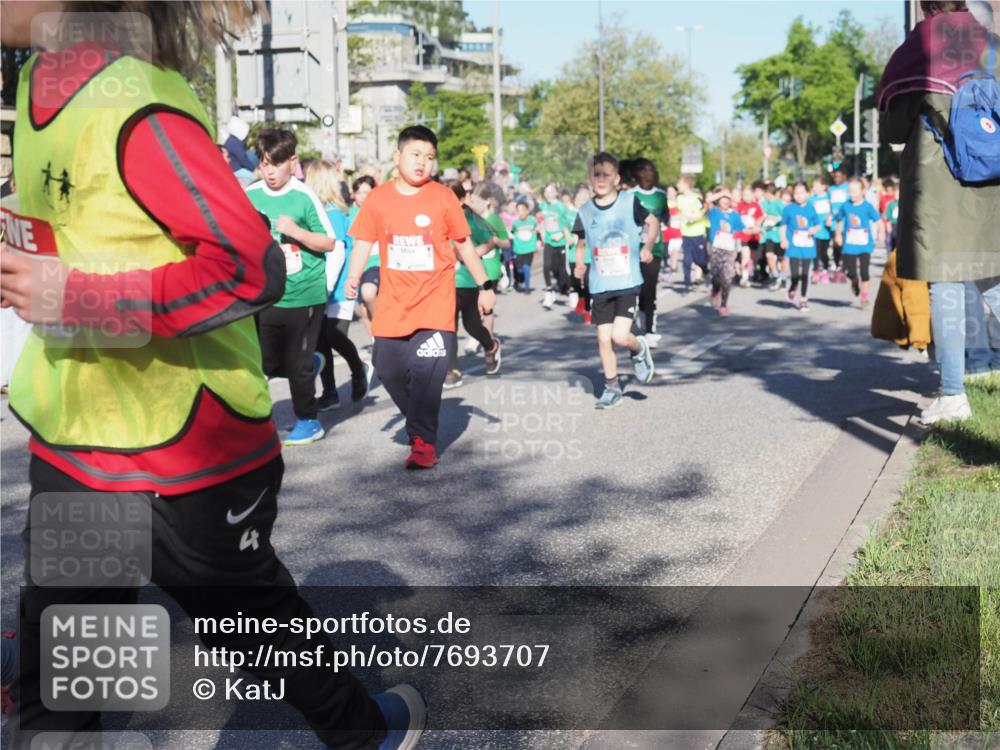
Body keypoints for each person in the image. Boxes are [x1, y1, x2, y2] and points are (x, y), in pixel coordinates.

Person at [0, 2, 424, 748]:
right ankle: (363, 732)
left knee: (246, 626)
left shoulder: (138, 102)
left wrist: (75, 295)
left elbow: (247, 267)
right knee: (68, 672)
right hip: (76, 436)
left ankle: (361, 732)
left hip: (186, 448)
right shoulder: (39, 76)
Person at [345, 125, 496, 468]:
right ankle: (418, 422)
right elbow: (364, 241)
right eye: (415, 155)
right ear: (397, 156)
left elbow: (463, 245)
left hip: (435, 304)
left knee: (427, 376)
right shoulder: (378, 199)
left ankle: (423, 442)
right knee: (387, 369)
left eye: (429, 157)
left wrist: (485, 286)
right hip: (393, 306)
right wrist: (354, 275)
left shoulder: (443, 197)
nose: (422, 163)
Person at [879, 0, 1000, 424]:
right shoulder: (992, 45)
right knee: (994, 281)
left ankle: (953, 395)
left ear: (927, 6)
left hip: (940, 179)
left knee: (946, 285)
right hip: (992, 177)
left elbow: (894, 127)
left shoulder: (923, 44)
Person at [246, 128, 337, 446]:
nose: (270, 171)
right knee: (265, 363)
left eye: (276, 164)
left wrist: (296, 232)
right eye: (264, 164)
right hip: (268, 295)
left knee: (297, 366)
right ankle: (311, 363)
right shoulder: (251, 196)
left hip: (305, 293)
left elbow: (329, 242)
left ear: (292, 162)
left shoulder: (304, 196)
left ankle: (309, 421)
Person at [571, 152, 658, 410]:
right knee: (603, 338)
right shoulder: (585, 211)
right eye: (596, 175)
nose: (601, 179)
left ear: (616, 179)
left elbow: (653, 223)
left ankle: (638, 348)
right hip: (600, 284)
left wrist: (648, 246)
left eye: (606, 175)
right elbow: (581, 243)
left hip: (627, 281)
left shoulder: (629, 201)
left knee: (620, 336)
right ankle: (611, 387)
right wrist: (579, 264)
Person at [304, 160, 373, 410]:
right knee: (320, 339)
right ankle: (330, 392)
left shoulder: (332, 214)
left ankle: (358, 368)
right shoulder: (324, 211)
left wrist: (325, 289)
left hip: (339, 286)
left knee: (333, 335)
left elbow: (337, 254)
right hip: (326, 285)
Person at [444, 180, 502, 388]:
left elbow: (491, 241)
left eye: (452, 198)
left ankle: (491, 345)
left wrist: (473, 253)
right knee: (448, 326)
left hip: (468, 281)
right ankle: (452, 369)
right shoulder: (438, 218)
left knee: (472, 325)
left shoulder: (469, 218)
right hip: (446, 282)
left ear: (461, 199)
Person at [633, 159, 668, 346]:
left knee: (650, 288)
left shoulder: (661, 196)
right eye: (644, 171)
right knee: (638, 288)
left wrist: (661, 227)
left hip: (655, 248)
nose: (648, 175)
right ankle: (640, 319)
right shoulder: (630, 195)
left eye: (651, 171)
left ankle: (650, 329)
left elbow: (665, 217)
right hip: (634, 249)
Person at [834, 177, 882, 308]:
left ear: (863, 191)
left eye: (855, 191)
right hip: (850, 245)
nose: (852, 194)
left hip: (865, 245)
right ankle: (854, 281)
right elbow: (839, 219)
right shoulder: (845, 206)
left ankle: (864, 298)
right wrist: (838, 234)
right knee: (850, 272)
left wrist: (881, 232)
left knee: (864, 272)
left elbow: (878, 220)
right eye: (850, 191)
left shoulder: (867, 207)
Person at [780, 181, 822, 311]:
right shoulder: (788, 209)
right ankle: (793, 287)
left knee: (805, 274)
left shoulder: (811, 208)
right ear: (793, 194)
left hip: (808, 244)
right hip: (794, 245)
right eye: (796, 193)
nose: (799, 196)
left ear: (808, 194)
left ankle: (803, 299)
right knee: (794, 275)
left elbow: (818, 225)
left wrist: (814, 229)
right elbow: (783, 225)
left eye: (802, 193)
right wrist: (783, 239)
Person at [706, 187, 746, 318]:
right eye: (723, 198)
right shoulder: (714, 212)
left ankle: (723, 305)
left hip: (729, 249)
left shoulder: (734, 214)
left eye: (728, 198)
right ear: (718, 199)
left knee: (727, 278)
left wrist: (755, 230)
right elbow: (708, 200)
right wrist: (722, 192)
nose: (726, 200)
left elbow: (742, 229)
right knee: (716, 276)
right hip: (716, 249)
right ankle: (715, 290)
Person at [352, 175, 379, 345]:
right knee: (362, 311)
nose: (363, 196)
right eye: (359, 192)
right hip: (357, 269)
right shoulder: (349, 214)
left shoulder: (380, 211)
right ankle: (377, 343)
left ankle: (383, 329)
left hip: (377, 264)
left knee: (368, 293)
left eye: (367, 192)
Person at [537, 182, 572, 309]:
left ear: (556, 193)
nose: (548, 194)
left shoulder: (561, 207)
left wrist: (561, 235)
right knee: (546, 266)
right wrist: (541, 231)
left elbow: (568, 224)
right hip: (548, 240)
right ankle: (549, 291)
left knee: (561, 270)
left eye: (551, 192)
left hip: (561, 241)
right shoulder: (543, 205)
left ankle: (570, 290)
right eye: (546, 192)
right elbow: (540, 220)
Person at [677, 174, 709, 292]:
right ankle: (687, 283)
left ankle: (706, 271)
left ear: (686, 184)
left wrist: (695, 218)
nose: (677, 185)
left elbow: (704, 209)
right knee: (687, 260)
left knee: (699, 260)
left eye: (679, 183)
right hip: (686, 234)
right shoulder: (679, 199)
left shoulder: (697, 197)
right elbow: (679, 212)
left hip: (698, 233)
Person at [567, 183, 593, 323]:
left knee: (588, 283)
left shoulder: (593, 213)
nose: (582, 200)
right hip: (574, 252)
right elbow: (564, 227)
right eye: (580, 197)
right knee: (575, 281)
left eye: (585, 197)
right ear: (575, 198)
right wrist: (568, 237)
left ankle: (588, 310)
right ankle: (581, 296)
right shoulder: (569, 213)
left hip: (588, 253)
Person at [735, 185, 762, 288]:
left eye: (749, 195)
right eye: (744, 195)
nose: (747, 197)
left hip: (754, 236)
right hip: (744, 235)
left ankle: (755, 271)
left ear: (753, 195)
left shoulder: (756, 205)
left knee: (754, 257)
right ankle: (744, 277)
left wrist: (758, 225)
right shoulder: (739, 206)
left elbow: (760, 217)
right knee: (745, 256)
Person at [808, 176, 833, 284]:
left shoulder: (829, 197)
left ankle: (825, 270)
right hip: (816, 229)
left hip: (826, 230)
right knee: (815, 252)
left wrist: (830, 217)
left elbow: (833, 210)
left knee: (824, 252)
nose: (815, 188)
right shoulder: (811, 199)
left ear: (824, 186)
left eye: (817, 186)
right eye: (814, 186)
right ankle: (815, 271)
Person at [761, 184, 786, 290]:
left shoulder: (779, 203)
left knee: (782, 258)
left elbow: (785, 215)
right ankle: (775, 277)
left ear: (768, 193)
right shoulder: (764, 203)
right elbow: (762, 214)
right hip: (769, 234)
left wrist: (776, 219)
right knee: (769, 255)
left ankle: (783, 278)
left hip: (779, 235)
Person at [827, 168, 850, 282]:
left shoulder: (847, 187)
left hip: (846, 221)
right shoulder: (831, 189)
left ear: (844, 176)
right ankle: (837, 265)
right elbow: (828, 204)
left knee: (845, 245)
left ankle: (844, 267)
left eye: (839, 176)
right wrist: (828, 216)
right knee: (836, 245)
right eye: (835, 177)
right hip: (835, 222)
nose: (836, 179)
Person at [511, 200, 538, 292]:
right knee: (519, 268)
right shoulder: (515, 223)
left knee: (527, 266)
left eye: (523, 210)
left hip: (529, 248)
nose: (520, 212)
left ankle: (527, 287)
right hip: (519, 249)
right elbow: (513, 231)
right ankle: (519, 279)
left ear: (527, 211)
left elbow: (537, 228)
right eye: (518, 210)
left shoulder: (533, 220)